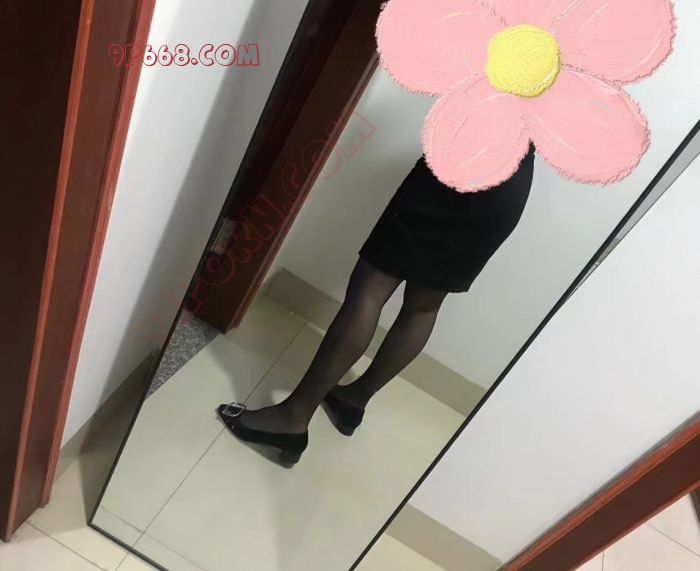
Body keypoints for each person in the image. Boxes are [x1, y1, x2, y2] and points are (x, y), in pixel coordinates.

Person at [218, 142, 536, 465]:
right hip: (508, 189)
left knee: (371, 288)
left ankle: (293, 416)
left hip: (459, 163)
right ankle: (353, 400)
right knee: (424, 306)